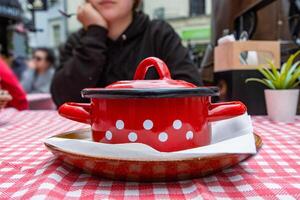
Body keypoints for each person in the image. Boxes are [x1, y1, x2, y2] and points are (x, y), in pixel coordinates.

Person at [51, 0, 202, 106]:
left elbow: (192, 91)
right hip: (94, 138)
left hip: (153, 136)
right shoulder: (79, 40)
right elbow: (62, 99)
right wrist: (95, 33)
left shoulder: (158, 34)